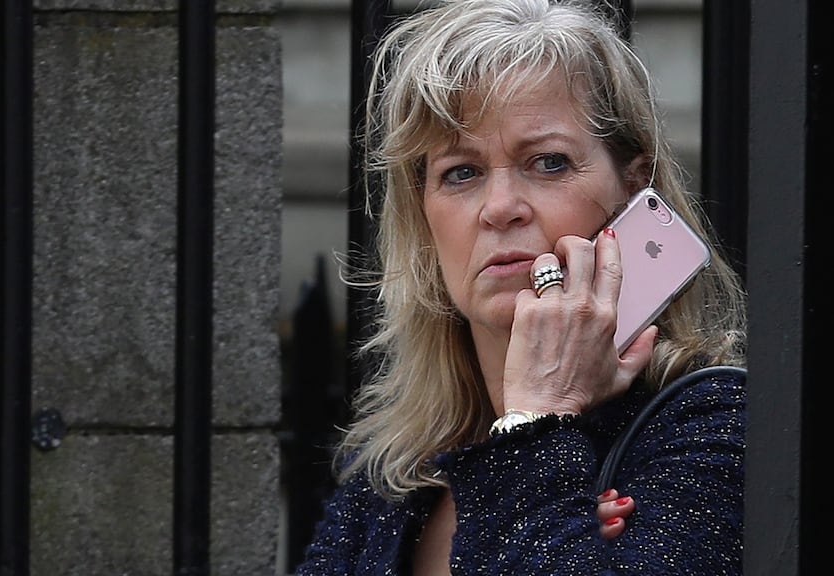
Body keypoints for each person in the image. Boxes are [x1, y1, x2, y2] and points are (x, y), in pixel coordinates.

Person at [297, 0, 746, 574]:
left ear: (633, 187)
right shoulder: (392, 471)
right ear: (423, 216)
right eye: (461, 172)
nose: (501, 208)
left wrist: (536, 423)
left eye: (549, 163)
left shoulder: (712, 424)